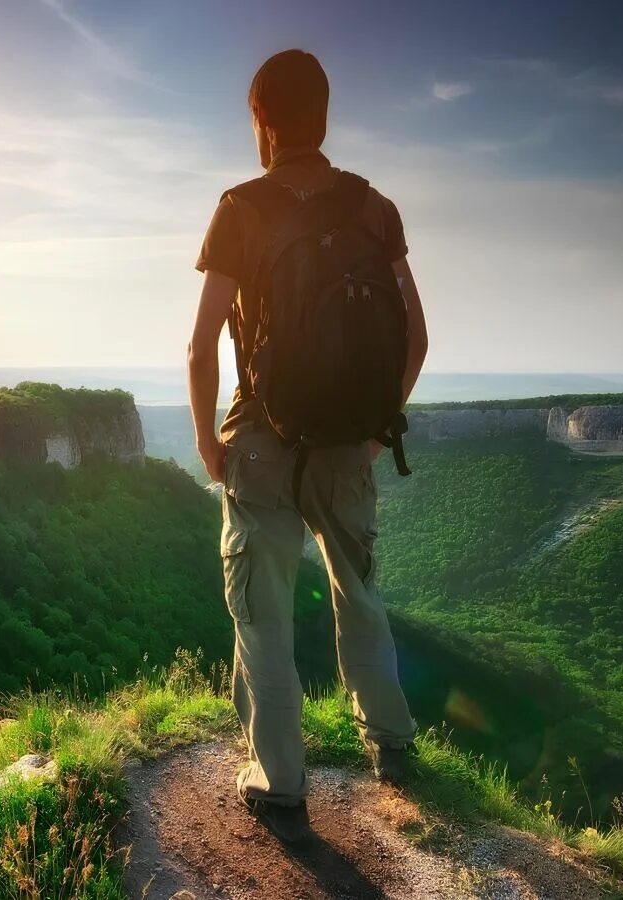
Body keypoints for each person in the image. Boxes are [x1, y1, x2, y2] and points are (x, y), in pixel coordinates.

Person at [186, 49, 429, 843]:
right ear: (324, 116)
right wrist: (372, 427)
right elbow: (415, 337)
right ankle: (390, 746)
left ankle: (279, 779)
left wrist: (208, 443)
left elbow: (200, 349)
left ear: (261, 121)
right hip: (344, 443)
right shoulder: (374, 208)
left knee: (262, 612)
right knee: (359, 594)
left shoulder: (240, 207)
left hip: (260, 439)